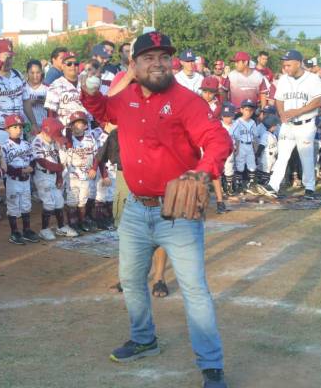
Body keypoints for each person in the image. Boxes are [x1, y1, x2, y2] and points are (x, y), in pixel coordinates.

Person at [80, 30, 231, 388]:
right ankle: (144, 338)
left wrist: (203, 169)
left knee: (194, 290)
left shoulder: (187, 101)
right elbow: (99, 108)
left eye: (164, 57)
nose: (158, 63)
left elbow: (217, 139)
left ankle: (212, 368)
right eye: (149, 57)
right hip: (135, 208)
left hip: (176, 211)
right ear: (134, 65)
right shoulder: (126, 97)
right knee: (132, 281)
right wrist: (88, 87)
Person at [257, 50, 321, 199]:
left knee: (306, 156)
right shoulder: (283, 80)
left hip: (306, 124)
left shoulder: (312, 79)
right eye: (284, 65)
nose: (285, 68)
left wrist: (297, 111)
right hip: (288, 124)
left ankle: (310, 188)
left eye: (288, 64)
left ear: (298, 63)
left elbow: (318, 101)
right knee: (282, 155)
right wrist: (282, 114)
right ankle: (273, 186)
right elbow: (279, 99)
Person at [0, 39, 34, 146]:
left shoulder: (17, 74)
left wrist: (34, 123)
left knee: (18, 162)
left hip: (17, 130)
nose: (8, 61)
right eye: (5, 57)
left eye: (10, 57)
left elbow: (26, 101)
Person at [32, 117, 78, 240]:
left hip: (53, 175)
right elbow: (42, 162)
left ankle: (61, 227)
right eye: (54, 135)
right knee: (49, 203)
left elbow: (57, 158)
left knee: (59, 201)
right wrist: (60, 168)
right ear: (46, 131)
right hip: (42, 175)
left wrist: (59, 177)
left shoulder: (52, 142)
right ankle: (44, 229)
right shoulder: (37, 142)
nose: (55, 138)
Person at [1, 115, 40, 245]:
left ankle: (26, 230)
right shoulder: (5, 146)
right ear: (7, 129)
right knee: (13, 206)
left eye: (20, 127)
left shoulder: (27, 144)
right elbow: (5, 167)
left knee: (26, 205)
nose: (18, 129)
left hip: (25, 181)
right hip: (13, 180)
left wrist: (31, 167)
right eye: (14, 127)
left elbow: (33, 159)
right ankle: (14, 232)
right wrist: (20, 171)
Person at [60, 111, 98, 233]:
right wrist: (68, 130)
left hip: (86, 174)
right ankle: (72, 223)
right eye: (73, 124)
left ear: (86, 126)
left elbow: (97, 155)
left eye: (79, 124)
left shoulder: (90, 138)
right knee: (72, 200)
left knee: (83, 200)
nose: (76, 126)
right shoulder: (68, 140)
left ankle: (81, 222)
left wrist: (94, 168)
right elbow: (68, 144)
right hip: (72, 175)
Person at [45, 52, 89, 126]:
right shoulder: (55, 85)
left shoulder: (86, 82)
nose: (73, 66)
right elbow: (51, 113)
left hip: (87, 129)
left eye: (76, 64)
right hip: (66, 130)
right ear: (62, 66)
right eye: (69, 64)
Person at [231, 99, 260, 194]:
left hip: (249, 145)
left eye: (251, 110)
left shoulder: (253, 122)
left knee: (252, 165)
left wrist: (255, 148)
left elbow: (255, 136)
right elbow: (231, 135)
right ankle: (239, 184)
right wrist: (236, 148)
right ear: (242, 110)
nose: (249, 112)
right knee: (240, 165)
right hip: (241, 145)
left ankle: (251, 184)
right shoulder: (237, 122)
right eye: (247, 109)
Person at [255, 113, 279, 188]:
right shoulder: (266, 135)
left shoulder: (273, 135)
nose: (276, 127)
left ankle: (263, 183)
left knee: (270, 170)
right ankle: (263, 184)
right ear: (271, 126)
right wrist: (257, 154)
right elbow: (261, 145)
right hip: (267, 156)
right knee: (266, 170)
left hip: (272, 157)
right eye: (275, 125)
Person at [24, 60, 47, 133]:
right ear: (27, 73)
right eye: (32, 73)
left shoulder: (47, 88)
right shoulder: (21, 87)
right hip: (27, 128)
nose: (35, 76)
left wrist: (46, 102)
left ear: (41, 72)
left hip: (44, 128)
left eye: (38, 72)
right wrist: (30, 102)